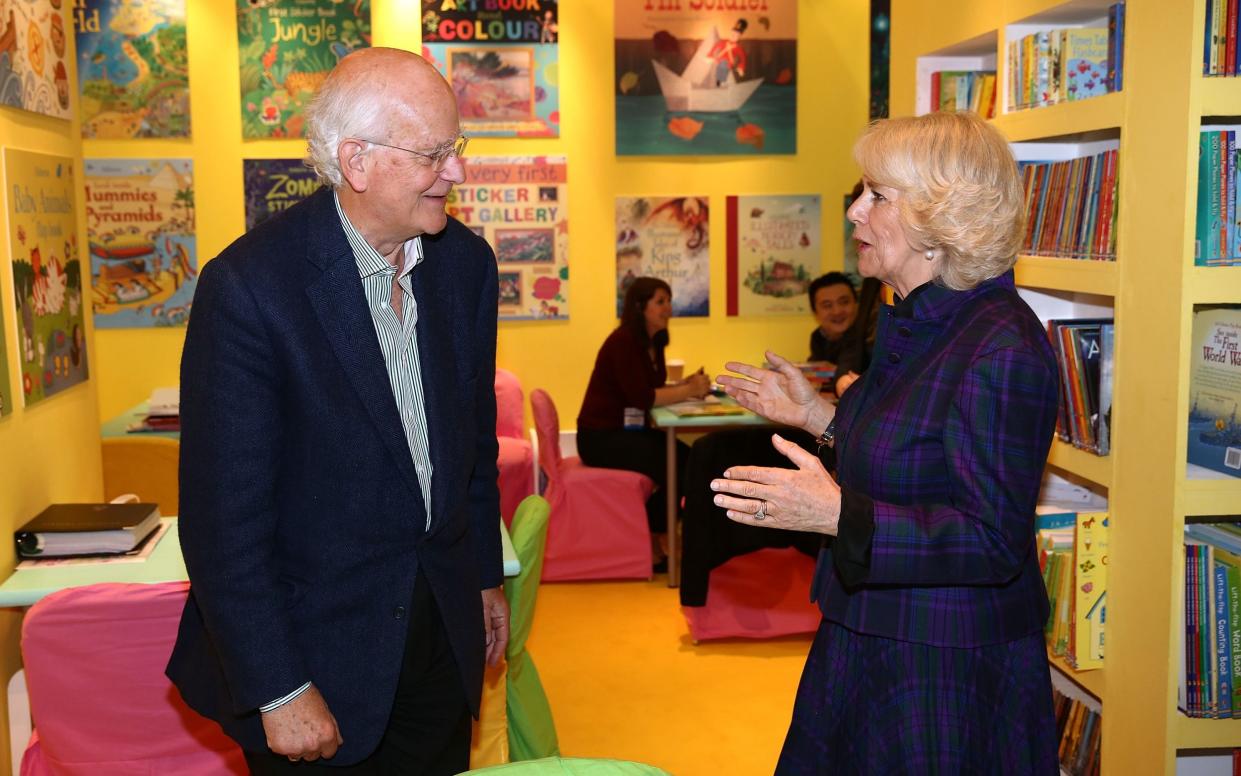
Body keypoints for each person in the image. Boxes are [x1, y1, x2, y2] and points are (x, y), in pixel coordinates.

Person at [166, 48, 509, 774]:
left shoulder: (464, 267)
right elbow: (223, 523)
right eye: (434, 153)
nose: (456, 172)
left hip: (438, 641)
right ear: (357, 161)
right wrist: (277, 687)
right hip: (314, 654)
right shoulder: (252, 290)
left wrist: (481, 577)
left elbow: (471, 448)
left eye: (458, 149)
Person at [711, 111, 1061, 773]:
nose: (852, 213)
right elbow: (915, 459)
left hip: (940, 660)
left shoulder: (1000, 346)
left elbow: (991, 539)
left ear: (940, 220)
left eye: (875, 197)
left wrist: (837, 515)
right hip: (870, 628)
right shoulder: (920, 318)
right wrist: (817, 417)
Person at [576, 277, 711, 569]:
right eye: (660, 302)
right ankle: (660, 539)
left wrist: (685, 383)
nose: (668, 309)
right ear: (640, 307)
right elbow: (643, 397)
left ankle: (656, 534)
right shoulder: (623, 341)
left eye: (669, 301)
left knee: (688, 458)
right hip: (600, 438)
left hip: (626, 432)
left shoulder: (654, 341)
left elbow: (653, 387)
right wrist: (690, 390)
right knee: (679, 465)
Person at [708, 18, 748, 86]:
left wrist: (741, 68)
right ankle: (719, 83)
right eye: (732, 33)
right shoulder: (723, 42)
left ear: (739, 37)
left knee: (724, 67)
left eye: (736, 35)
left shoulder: (738, 48)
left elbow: (743, 58)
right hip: (719, 62)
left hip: (729, 65)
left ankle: (720, 83)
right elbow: (715, 47)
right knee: (721, 66)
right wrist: (709, 56)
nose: (733, 36)